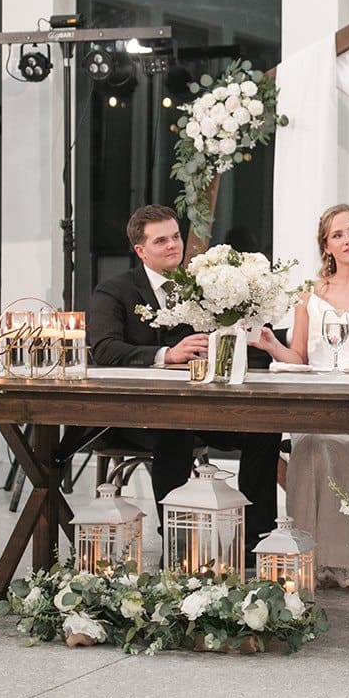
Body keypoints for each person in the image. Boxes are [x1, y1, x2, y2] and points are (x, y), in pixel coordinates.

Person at [86, 204, 282, 558]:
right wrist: (166, 354)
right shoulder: (114, 291)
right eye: (161, 240)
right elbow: (104, 349)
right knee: (173, 432)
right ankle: (177, 546)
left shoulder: (201, 287)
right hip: (134, 415)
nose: (173, 245)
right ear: (141, 250)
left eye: (175, 236)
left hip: (199, 408)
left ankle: (254, 542)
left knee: (263, 429)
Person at [253, 204, 349, 591]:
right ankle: (311, 558)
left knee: (348, 448)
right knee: (311, 447)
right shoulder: (309, 295)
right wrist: (272, 346)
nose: (348, 239)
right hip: (316, 402)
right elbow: (299, 358)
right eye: (338, 234)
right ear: (327, 246)